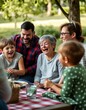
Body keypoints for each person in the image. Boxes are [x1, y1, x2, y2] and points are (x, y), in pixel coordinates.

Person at [44, 41, 86, 110]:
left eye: (59, 55)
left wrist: (51, 85)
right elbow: (70, 86)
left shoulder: (69, 71)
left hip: (78, 105)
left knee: (47, 94)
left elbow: (65, 94)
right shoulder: (80, 67)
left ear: (66, 59)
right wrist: (55, 84)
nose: (58, 57)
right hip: (84, 102)